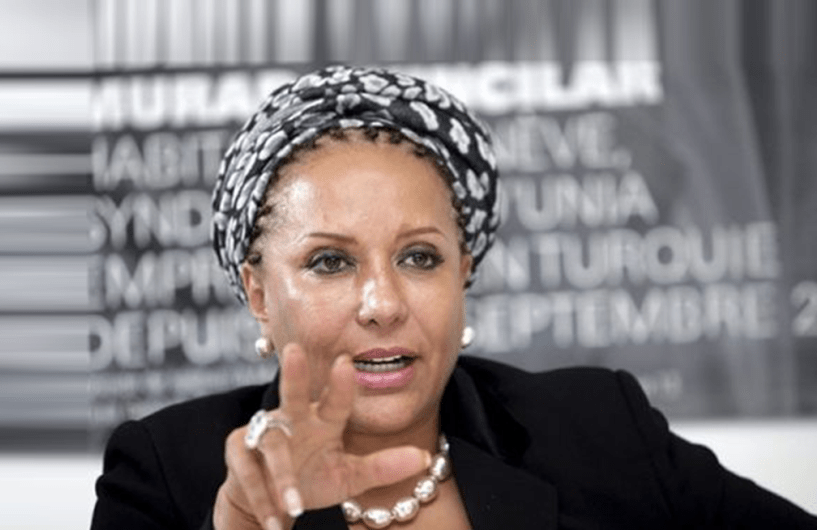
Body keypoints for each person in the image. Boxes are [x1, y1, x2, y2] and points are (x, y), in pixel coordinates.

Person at [91, 65, 817, 530]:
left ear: (462, 270)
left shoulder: (601, 430)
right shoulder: (167, 473)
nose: (382, 303)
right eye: (330, 262)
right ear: (258, 292)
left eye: (419, 257)